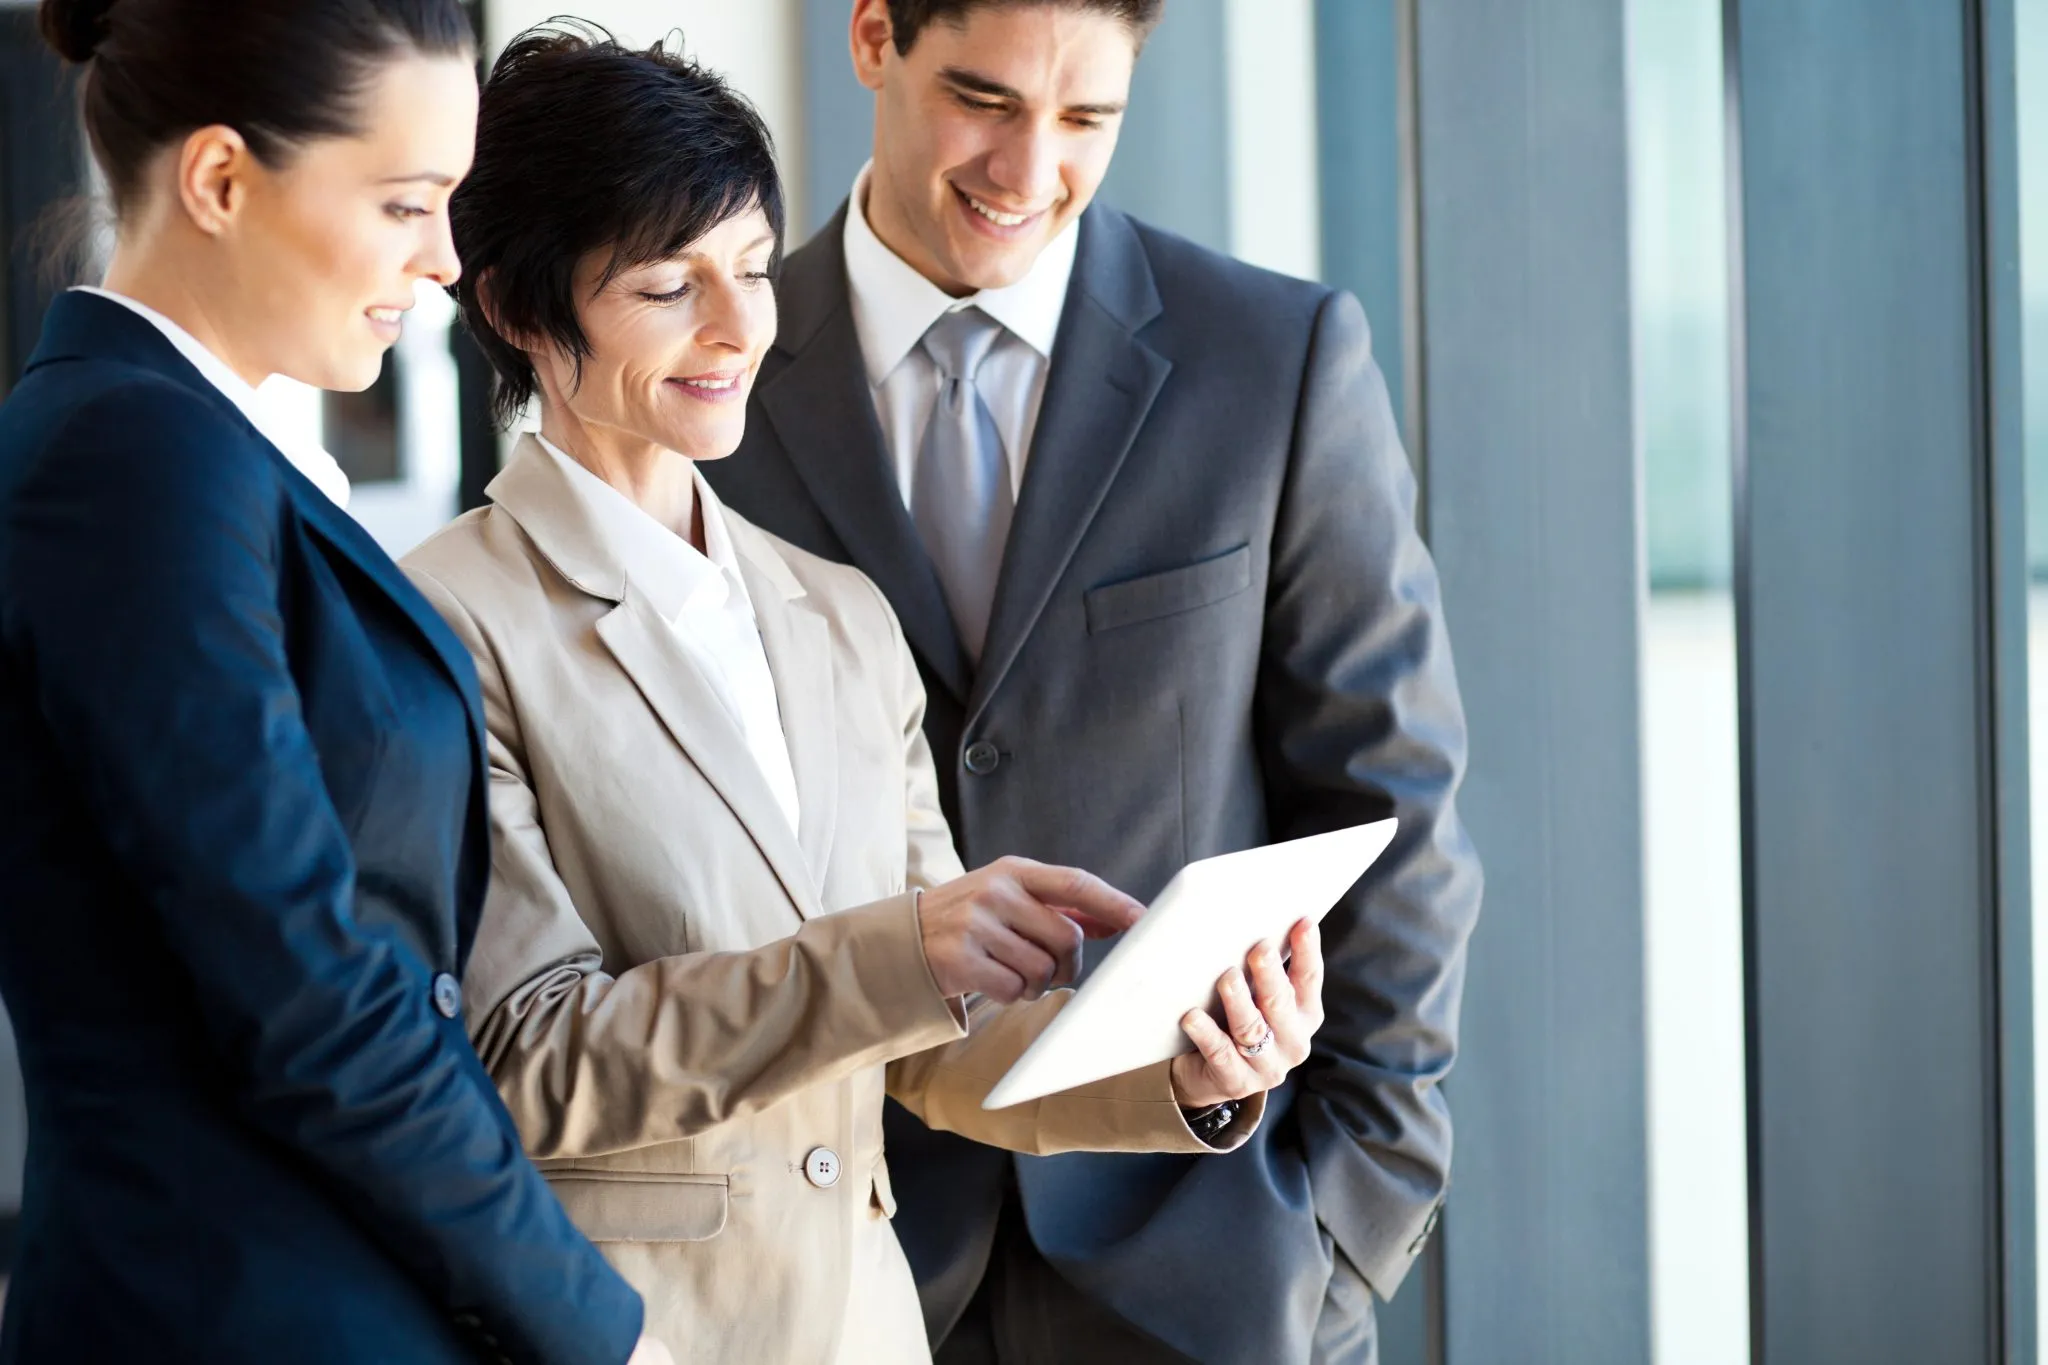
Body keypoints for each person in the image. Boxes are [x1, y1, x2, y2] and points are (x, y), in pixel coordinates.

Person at [400, 26, 1325, 1365]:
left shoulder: (835, 614)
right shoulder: (444, 622)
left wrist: (1186, 1072)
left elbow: (938, 1051)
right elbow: (527, 1058)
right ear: (520, 312)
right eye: (669, 286)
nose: (735, 328)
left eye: (756, 270)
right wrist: (904, 952)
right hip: (629, 1336)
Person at [702, 1, 1487, 1362]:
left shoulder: (1275, 362)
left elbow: (1396, 815)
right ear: (874, 35)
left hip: (1215, 1256)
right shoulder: (711, 378)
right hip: (832, 1272)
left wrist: (1343, 1231)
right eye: (986, 101)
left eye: (1085, 121)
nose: (1027, 171)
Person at [0, 3, 670, 1361]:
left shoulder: (199, 449)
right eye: (406, 204)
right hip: (233, 1312)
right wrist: (600, 1330)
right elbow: (307, 985)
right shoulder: (134, 462)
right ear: (222, 181)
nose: (442, 260)